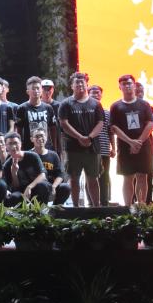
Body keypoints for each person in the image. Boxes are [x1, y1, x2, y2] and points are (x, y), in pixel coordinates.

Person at [58, 72, 105, 207]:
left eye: (82, 82)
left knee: (93, 178)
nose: (79, 84)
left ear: (86, 84)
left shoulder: (96, 104)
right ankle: (76, 207)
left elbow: (100, 123)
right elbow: (64, 124)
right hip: (73, 148)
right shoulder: (66, 104)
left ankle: (96, 207)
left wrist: (89, 137)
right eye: (76, 82)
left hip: (92, 148)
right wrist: (79, 137)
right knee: (74, 179)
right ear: (71, 86)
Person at [110, 74, 153, 206]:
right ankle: (128, 207)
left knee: (142, 176)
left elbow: (149, 124)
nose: (127, 86)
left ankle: (141, 207)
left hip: (144, 146)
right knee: (127, 177)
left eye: (129, 83)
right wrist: (130, 142)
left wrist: (138, 142)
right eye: (124, 84)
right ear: (120, 87)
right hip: (125, 146)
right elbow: (114, 127)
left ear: (134, 85)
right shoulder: (116, 106)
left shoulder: (144, 104)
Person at [1, 132, 50, 206]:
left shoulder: (32, 156)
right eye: (10, 144)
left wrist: (29, 187)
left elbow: (43, 175)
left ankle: (41, 210)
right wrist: (14, 173)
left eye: (15, 143)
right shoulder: (7, 165)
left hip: (35, 187)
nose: (13, 146)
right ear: (6, 146)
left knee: (43, 185)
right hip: (22, 192)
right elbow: (15, 186)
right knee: (13, 197)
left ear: (20, 144)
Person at [16, 77, 59, 152]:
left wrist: (54, 147)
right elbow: (18, 130)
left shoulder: (48, 108)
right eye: (33, 89)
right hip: (28, 148)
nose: (36, 91)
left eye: (38, 88)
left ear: (41, 90)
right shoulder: (22, 108)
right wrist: (20, 148)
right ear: (28, 91)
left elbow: (53, 129)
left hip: (46, 148)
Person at [89, 84, 115, 206]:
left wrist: (113, 148)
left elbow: (111, 132)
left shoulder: (107, 113)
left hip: (104, 150)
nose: (95, 94)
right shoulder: (85, 112)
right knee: (90, 176)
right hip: (89, 150)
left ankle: (104, 202)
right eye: (93, 92)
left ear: (101, 95)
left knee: (104, 176)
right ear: (88, 94)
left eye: (98, 92)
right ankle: (91, 202)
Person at [31, 129, 71, 206]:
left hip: (50, 185)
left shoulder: (53, 155)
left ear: (46, 138)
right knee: (42, 185)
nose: (40, 138)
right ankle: (41, 210)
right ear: (32, 139)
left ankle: (55, 208)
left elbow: (60, 174)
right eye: (37, 136)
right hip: (35, 187)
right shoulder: (29, 154)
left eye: (42, 136)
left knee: (65, 187)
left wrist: (54, 186)